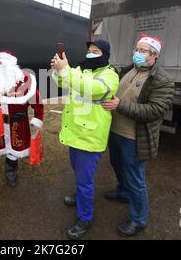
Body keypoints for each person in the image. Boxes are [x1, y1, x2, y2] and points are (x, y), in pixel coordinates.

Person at [101, 35, 175, 237]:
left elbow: (155, 110)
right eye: (137, 49)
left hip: (133, 137)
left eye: (143, 51)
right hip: (115, 132)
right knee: (117, 165)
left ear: (155, 55)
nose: (138, 53)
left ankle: (138, 219)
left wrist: (120, 105)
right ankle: (123, 193)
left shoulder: (161, 80)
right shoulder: (128, 70)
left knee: (136, 178)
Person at [51, 40, 119, 240]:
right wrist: (58, 70)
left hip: (90, 136)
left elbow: (90, 88)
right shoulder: (83, 70)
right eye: (89, 51)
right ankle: (80, 198)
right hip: (75, 133)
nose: (90, 54)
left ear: (104, 55)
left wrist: (67, 70)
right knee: (78, 171)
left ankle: (85, 218)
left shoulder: (110, 75)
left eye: (95, 51)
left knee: (85, 181)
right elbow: (64, 82)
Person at [0, 51, 44, 188]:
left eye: (3, 61)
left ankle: (11, 172)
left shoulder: (25, 79)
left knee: (14, 148)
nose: (0, 64)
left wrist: (37, 118)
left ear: (11, 63)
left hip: (17, 122)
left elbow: (37, 101)